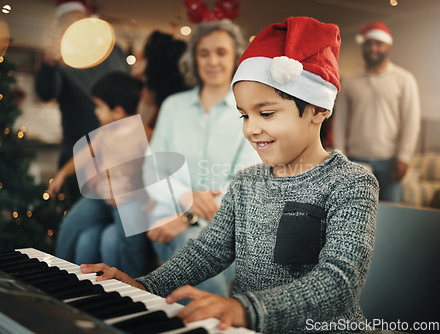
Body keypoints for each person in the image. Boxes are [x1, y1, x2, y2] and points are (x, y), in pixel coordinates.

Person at [81, 17, 379, 334]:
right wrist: (146, 285)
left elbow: (339, 280)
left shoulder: (352, 183)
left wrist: (244, 309)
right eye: (244, 115)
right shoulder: (246, 182)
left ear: (318, 109)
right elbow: (208, 251)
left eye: (266, 113)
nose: (250, 129)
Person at [132, 19, 260, 298]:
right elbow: (151, 170)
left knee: (193, 247)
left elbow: (246, 180)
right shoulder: (173, 106)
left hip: (227, 228)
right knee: (188, 245)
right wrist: (185, 196)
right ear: (194, 59)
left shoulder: (250, 113)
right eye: (204, 53)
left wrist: (189, 217)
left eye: (221, 52)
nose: (212, 61)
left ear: (236, 57)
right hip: (168, 222)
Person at [73, 31, 189, 278]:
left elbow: (151, 160)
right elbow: (103, 148)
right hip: (118, 193)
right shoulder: (140, 98)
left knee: (107, 237)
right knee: (86, 237)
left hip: (143, 200)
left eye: (142, 53)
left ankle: (129, 294)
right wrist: (98, 178)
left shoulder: (165, 107)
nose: (135, 57)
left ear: (154, 62)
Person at [48, 72, 148, 266]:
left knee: (131, 243)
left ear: (118, 112)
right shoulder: (104, 132)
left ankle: (137, 285)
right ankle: (58, 271)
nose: (96, 111)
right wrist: (61, 175)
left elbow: (151, 172)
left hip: (128, 199)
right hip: (102, 195)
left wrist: (133, 188)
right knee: (70, 224)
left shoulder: (144, 135)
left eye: (99, 106)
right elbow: (84, 155)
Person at [35, 0, 130, 169]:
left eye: (77, 21)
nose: (72, 27)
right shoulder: (61, 59)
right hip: (77, 151)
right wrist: (48, 65)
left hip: (118, 150)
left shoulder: (113, 51)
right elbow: (46, 93)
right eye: (66, 23)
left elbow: (128, 91)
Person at [333, 21, 421, 203]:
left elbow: (411, 121)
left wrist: (404, 157)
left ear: (389, 46)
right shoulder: (350, 81)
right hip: (356, 160)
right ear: (363, 46)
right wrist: (340, 155)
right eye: (369, 43)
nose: (373, 48)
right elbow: (340, 121)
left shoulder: (404, 79)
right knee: (357, 213)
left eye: (378, 43)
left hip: (391, 162)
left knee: (390, 217)